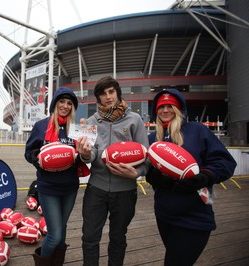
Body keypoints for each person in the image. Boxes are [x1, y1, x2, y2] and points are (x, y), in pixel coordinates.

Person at [145, 89, 237, 266]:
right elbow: (148, 170)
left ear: (179, 109)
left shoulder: (197, 131)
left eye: (170, 106)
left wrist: (205, 177)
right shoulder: (152, 138)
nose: (165, 110)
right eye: (161, 107)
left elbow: (225, 163)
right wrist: (154, 177)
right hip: (164, 214)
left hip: (195, 215)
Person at [77, 76, 149, 266]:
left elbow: (146, 157)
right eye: (103, 93)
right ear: (98, 98)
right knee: (90, 237)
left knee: (118, 238)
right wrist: (84, 154)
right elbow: (89, 155)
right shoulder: (90, 122)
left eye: (111, 91)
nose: (108, 97)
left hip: (125, 191)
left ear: (117, 93)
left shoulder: (134, 120)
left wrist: (137, 173)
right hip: (96, 189)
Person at [25, 87, 80, 266]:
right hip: (48, 187)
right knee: (54, 236)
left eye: (69, 103)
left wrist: (86, 153)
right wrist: (38, 159)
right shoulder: (41, 126)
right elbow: (29, 152)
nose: (65, 106)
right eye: (62, 102)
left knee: (61, 233)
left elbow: (81, 157)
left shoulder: (75, 129)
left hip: (70, 187)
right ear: (55, 103)